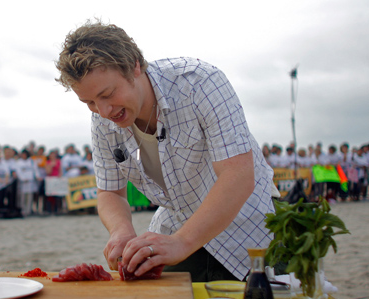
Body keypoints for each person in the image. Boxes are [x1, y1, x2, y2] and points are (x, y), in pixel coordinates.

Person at [55, 20, 279, 282]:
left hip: (251, 225)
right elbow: (109, 192)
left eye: (108, 94)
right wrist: (121, 231)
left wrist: (182, 242)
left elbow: (239, 175)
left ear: (135, 66)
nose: (103, 111)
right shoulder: (102, 121)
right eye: (89, 102)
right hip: (177, 228)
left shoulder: (200, 83)